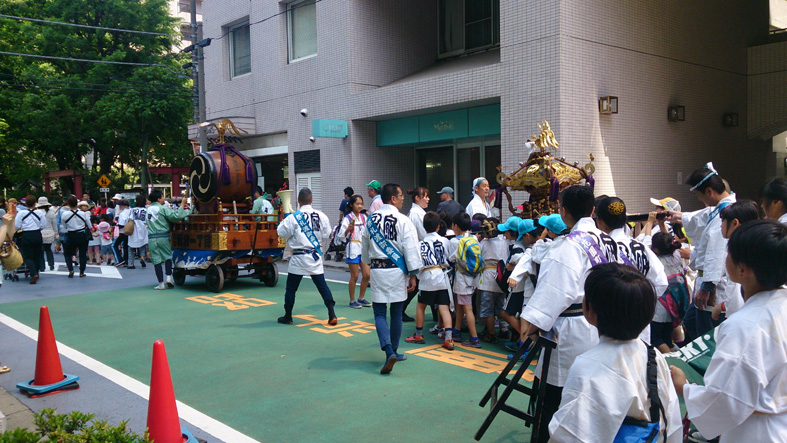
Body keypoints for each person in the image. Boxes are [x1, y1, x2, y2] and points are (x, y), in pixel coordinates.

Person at [519, 185, 621, 442]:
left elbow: (553, 292)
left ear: (563, 211)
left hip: (570, 331)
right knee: (593, 393)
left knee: (557, 397)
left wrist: (529, 325)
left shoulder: (566, 247)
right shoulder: (607, 240)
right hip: (602, 325)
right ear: (593, 209)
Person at [670, 220, 787, 442]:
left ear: (742, 269)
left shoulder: (746, 326)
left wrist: (684, 388)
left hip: (758, 432)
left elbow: (725, 400)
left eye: (729, 253)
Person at [549, 262, 683, 442]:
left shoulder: (588, 367)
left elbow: (570, 435)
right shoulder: (652, 355)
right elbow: (672, 420)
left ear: (590, 310)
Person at [667, 163, 735, 342]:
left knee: (706, 335)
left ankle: (705, 369)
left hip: (713, 284)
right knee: (690, 323)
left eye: (698, 195)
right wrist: (680, 216)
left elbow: (717, 253)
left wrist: (708, 287)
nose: (699, 200)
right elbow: (702, 216)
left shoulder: (725, 214)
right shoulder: (722, 208)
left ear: (710, 191)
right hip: (708, 279)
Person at [361, 183, 422, 374]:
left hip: (378, 269)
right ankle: (393, 351)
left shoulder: (371, 219)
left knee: (379, 312)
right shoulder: (403, 220)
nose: (403, 198)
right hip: (397, 270)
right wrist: (413, 274)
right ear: (393, 198)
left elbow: (364, 246)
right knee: (396, 313)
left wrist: (366, 262)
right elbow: (410, 248)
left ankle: (388, 351)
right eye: (401, 195)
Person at [595, 196, 668, 342]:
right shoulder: (641, 247)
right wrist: (639, 303)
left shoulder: (598, 248)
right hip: (639, 319)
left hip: (610, 319)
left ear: (600, 221)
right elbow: (661, 282)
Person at [276, 188, 337, 325]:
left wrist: (285, 218)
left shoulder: (293, 217)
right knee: (322, 286)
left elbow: (281, 233)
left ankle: (288, 316)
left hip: (298, 257)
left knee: (291, 288)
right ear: (312, 200)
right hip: (315, 256)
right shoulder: (321, 215)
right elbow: (328, 234)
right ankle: (332, 313)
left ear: (298, 201)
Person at [405, 211, 455, 350]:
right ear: (439, 226)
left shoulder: (420, 244)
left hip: (427, 276)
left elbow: (416, 262)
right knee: (444, 307)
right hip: (442, 275)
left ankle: (419, 334)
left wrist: (413, 276)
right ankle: (449, 339)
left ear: (424, 226)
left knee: (421, 305)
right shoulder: (445, 240)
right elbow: (450, 257)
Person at [451, 213, 483, 348]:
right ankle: (456, 331)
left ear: (456, 226)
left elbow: (452, 258)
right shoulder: (474, 239)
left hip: (462, 278)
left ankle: (474, 338)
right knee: (461, 306)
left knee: (467, 308)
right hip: (473, 277)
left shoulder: (457, 242)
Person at [147, 190, 189, 290]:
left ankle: (161, 283)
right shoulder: (163, 208)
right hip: (163, 236)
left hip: (152, 237)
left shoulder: (148, 209)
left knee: (156, 260)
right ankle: (169, 278)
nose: (164, 198)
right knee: (167, 257)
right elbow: (176, 216)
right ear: (158, 198)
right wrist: (182, 204)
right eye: (162, 197)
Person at [337, 194, 371, 308]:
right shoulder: (347, 218)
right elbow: (341, 235)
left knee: (367, 275)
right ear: (351, 205)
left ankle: (361, 297)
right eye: (357, 204)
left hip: (363, 247)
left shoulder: (364, 217)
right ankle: (352, 300)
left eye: (361, 203)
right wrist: (348, 229)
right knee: (355, 275)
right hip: (353, 247)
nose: (360, 206)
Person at [401, 186, 430, 322]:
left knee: (417, 285)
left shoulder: (417, 212)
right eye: (425, 196)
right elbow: (424, 235)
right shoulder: (416, 214)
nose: (428, 199)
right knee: (416, 285)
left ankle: (400, 309)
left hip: (419, 251)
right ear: (417, 198)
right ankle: (400, 309)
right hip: (419, 251)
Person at [15, 195, 46, 284]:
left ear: (25, 203)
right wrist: (38, 228)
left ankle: (33, 274)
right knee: (37, 254)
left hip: (26, 234)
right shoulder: (39, 213)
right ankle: (37, 272)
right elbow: (43, 224)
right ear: (35, 203)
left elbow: (17, 225)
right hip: (37, 234)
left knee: (28, 256)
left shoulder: (21, 213)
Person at [60, 196, 91, 278]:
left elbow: (64, 226)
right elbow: (89, 225)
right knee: (82, 254)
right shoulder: (83, 214)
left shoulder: (65, 214)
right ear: (77, 204)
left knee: (67, 253)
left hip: (71, 234)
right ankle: (81, 272)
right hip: (82, 234)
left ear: (68, 204)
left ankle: (70, 269)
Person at [126, 197, 148, 269]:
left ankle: (131, 263)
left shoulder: (133, 210)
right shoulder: (146, 210)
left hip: (134, 228)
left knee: (131, 246)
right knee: (142, 244)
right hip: (143, 228)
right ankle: (142, 257)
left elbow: (129, 218)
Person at [37, 197, 57, 272]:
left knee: (40, 250)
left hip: (40, 232)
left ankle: (42, 267)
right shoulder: (51, 213)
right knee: (48, 249)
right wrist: (56, 233)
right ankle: (51, 264)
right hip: (49, 232)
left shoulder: (37, 212)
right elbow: (54, 224)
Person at [113, 199, 131, 267]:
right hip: (130, 231)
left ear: (125, 206)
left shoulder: (123, 213)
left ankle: (119, 260)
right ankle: (126, 261)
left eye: (121, 205)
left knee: (114, 245)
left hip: (123, 231)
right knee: (126, 246)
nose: (120, 207)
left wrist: (115, 225)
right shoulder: (131, 211)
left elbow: (122, 224)